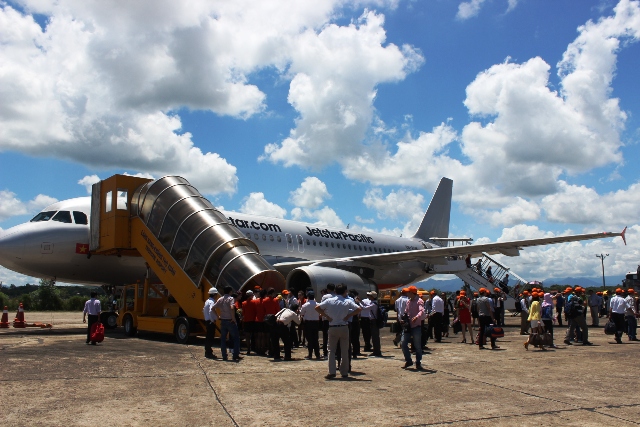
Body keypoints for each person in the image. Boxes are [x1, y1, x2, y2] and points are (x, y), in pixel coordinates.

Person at [315, 283, 362, 379]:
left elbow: (317, 308)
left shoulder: (329, 301)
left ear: (335, 291)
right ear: (345, 292)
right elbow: (359, 309)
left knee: (331, 350)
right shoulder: (347, 301)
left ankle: (332, 372)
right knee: (345, 350)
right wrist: (349, 316)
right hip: (344, 326)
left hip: (332, 326)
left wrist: (327, 316)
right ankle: (344, 371)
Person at [214, 286, 243, 361]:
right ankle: (235, 355)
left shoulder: (220, 299)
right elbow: (232, 307)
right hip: (230, 320)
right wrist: (233, 318)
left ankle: (224, 355)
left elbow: (213, 308)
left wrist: (218, 316)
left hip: (223, 320)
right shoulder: (231, 299)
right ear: (230, 292)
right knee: (236, 338)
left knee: (223, 339)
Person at [401, 286, 425, 370]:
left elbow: (421, 310)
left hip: (416, 326)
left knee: (417, 346)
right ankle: (409, 360)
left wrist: (416, 317)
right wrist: (403, 319)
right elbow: (406, 312)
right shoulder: (408, 302)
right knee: (403, 344)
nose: (407, 293)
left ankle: (418, 362)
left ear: (412, 293)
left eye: (408, 292)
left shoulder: (419, 301)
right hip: (408, 326)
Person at [300, 291, 321, 359]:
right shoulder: (318, 304)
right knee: (315, 339)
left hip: (308, 323)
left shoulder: (305, 305)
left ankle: (310, 354)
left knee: (309, 339)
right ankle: (317, 354)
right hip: (316, 323)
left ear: (308, 297)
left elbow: (302, 313)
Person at [203, 287, 220, 359]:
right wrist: (213, 319)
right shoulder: (212, 302)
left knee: (208, 337)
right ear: (214, 295)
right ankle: (209, 353)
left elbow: (204, 310)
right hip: (210, 322)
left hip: (207, 321)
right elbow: (211, 310)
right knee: (210, 338)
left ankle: (207, 352)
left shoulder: (207, 301)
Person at [366, 291, 382, 357]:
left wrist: (359, 302)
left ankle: (377, 351)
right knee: (374, 337)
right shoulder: (374, 303)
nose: (368, 296)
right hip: (373, 321)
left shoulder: (373, 304)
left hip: (374, 321)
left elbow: (365, 308)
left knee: (375, 337)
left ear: (372, 297)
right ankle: (376, 350)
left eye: (369, 295)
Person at [241, 290, 256, 355]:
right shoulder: (254, 302)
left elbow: (243, 313)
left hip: (246, 320)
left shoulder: (244, 303)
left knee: (247, 336)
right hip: (253, 320)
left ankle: (248, 348)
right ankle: (253, 347)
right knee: (253, 335)